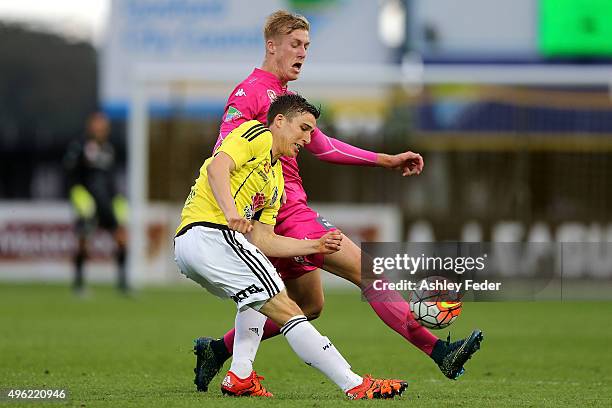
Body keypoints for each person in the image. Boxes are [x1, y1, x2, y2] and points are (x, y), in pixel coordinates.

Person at [193, 10, 483, 392]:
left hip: (286, 209)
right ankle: (438, 352)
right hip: (283, 212)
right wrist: (238, 207)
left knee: (309, 306)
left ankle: (217, 350)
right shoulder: (250, 92)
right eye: (295, 44)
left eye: (307, 46)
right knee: (368, 273)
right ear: (272, 45)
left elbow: (324, 147)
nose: (302, 53)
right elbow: (223, 156)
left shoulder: (284, 98)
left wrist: (386, 159)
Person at [174, 94, 407, 399]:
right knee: (287, 307)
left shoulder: (275, 180)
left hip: (194, 246)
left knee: (258, 294)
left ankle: (240, 374)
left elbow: (263, 239)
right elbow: (218, 168)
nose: (308, 139)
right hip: (210, 235)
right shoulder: (254, 134)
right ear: (280, 122)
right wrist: (232, 214)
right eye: (304, 128)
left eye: (312, 132)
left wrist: (314, 244)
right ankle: (354, 384)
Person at [64, 112, 128, 295]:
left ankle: (123, 284)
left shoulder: (109, 149)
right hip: (88, 202)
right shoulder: (79, 147)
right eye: (97, 125)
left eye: (103, 126)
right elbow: (70, 174)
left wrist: (118, 198)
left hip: (107, 200)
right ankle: (79, 284)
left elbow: (111, 177)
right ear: (90, 127)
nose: (100, 129)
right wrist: (78, 195)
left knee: (121, 237)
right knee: (83, 240)